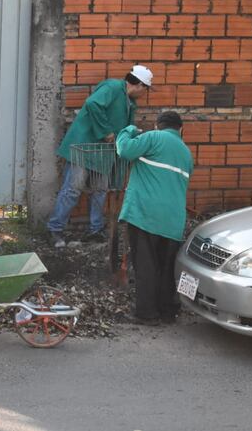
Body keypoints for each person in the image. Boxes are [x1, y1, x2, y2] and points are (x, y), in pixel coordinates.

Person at [47, 65, 153, 248]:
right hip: (84, 146)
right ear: (140, 85)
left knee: (100, 190)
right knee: (73, 189)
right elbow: (92, 104)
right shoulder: (112, 87)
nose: (145, 92)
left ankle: (95, 230)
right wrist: (106, 131)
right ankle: (54, 229)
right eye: (146, 88)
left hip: (103, 152)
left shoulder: (129, 101)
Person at [116, 110, 193, 326]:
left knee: (146, 265)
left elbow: (124, 149)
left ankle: (147, 314)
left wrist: (128, 130)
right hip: (174, 220)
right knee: (166, 268)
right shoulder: (187, 153)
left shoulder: (153, 137)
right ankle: (168, 311)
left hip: (146, 215)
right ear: (181, 129)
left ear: (158, 125)